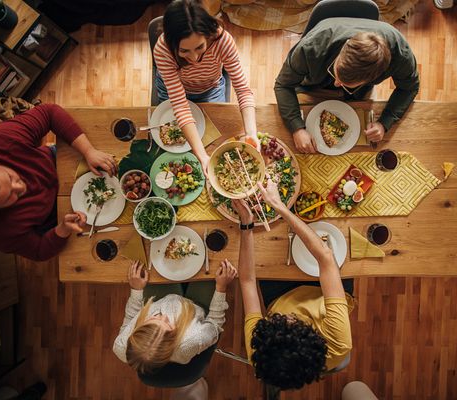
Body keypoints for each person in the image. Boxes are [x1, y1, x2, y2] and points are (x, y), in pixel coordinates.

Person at [232, 179, 354, 391]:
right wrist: (281, 207)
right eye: (293, 321)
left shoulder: (260, 346)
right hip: (325, 298)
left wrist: (246, 223)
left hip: (280, 294)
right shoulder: (338, 342)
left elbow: (247, 281)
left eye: (276, 320)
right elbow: (325, 258)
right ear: (314, 336)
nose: (287, 315)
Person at [0, 104, 116, 261]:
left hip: (57, 163)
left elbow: (50, 113)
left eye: (9, 177)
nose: (21, 187)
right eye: (9, 197)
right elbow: (39, 251)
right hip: (57, 214)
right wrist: (62, 230)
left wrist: (88, 151)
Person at [274, 18, 420, 153]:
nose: (337, 84)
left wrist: (384, 122)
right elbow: (283, 84)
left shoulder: (401, 55)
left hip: (360, 93)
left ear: (373, 77)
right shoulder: (311, 48)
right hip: (314, 86)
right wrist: (297, 128)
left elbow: (409, 87)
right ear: (344, 49)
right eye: (337, 75)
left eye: (344, 83)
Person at [153, 0, 258, 171]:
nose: (194, 58)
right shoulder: (162, 50)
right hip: (172, 90)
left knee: (216, 137)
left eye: (199, 47)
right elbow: (180, 104)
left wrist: (251, 133)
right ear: (172, 45)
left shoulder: (223, 41)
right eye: (184, 51)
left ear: (208, 35)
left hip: (210, 89)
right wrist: (202, 156)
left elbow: (243, 89)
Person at [113, 259, 237, 373]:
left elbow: (130, 318)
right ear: (174, 340)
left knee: (151, 260)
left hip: (161, 299)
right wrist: (221, 287)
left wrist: (136, 289)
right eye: (166, 322)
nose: (161, 315)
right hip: (196, 305)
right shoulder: (192, 341)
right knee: (217, 264)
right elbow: (215, 323)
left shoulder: (121, 345)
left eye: (151, 319)